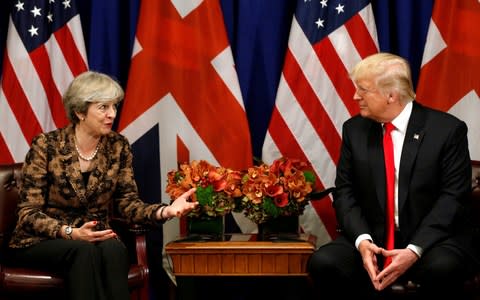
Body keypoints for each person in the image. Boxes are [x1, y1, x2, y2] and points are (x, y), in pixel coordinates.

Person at [6, 71, 198, 300]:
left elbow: (127, 203)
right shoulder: (47, 145)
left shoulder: (118, 145)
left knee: (114, 248)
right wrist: (70, 232)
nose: (112, 114)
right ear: (79, 111)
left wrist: (165, 210)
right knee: (84, 251)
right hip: (41, 240)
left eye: (114, 107)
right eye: (103, 107)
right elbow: (28, 214)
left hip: (94, 238)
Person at [307, 53, 479, 299]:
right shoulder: (354, 130)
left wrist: (413, 250)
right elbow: (345, 192)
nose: (356, 97)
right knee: (323, 262)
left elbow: (452, 198)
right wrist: (362, 241)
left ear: (391, 95)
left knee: (443, 268)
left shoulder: (447, 130)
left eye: (363, 90)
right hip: (374, 237)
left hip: (432, 240)